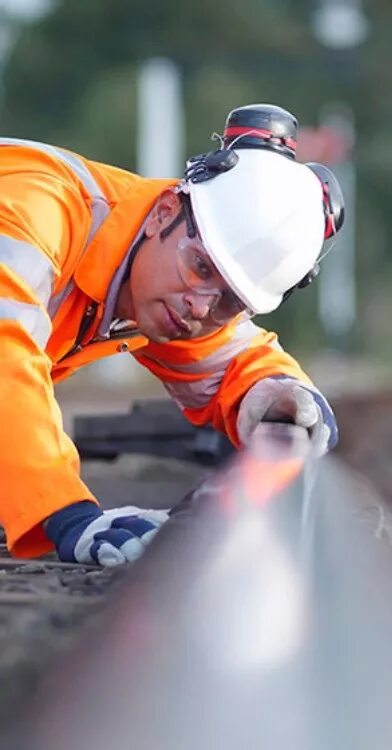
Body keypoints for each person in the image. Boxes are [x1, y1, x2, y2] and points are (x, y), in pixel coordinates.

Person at [0, 103, 344, 567]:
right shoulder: (33, 210)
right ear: (164, 213)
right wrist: (65, 513)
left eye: (230, 301)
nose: (200, 305)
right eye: (201, 267)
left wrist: (279, 395)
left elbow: (230, 362)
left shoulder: (159, 273)